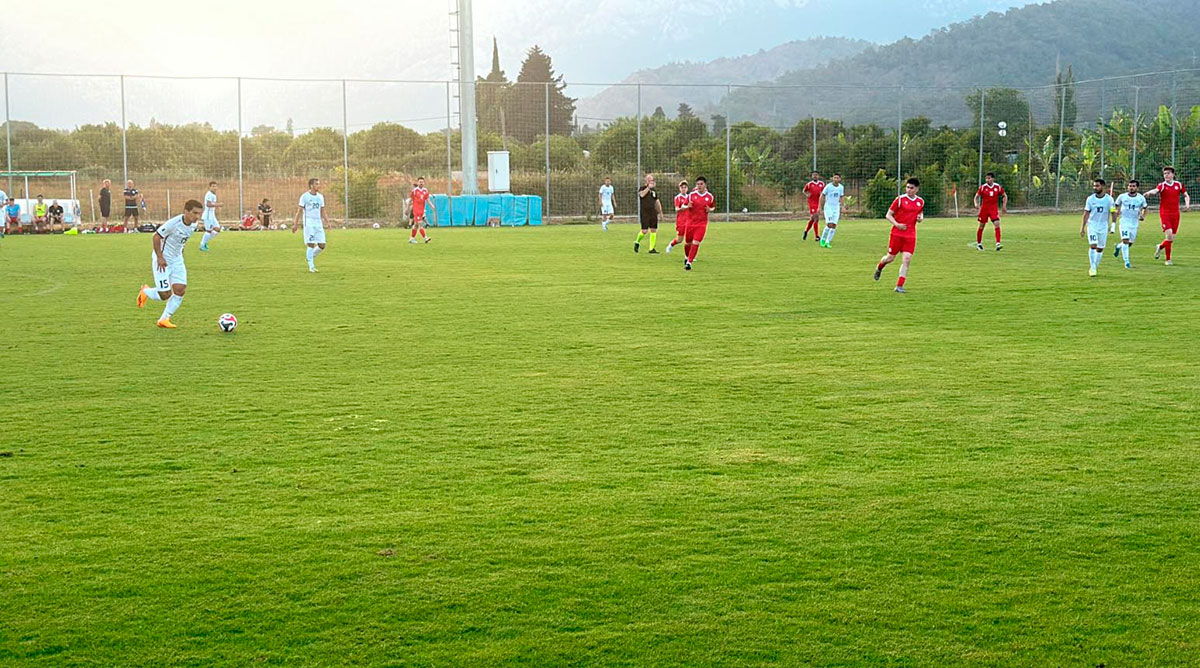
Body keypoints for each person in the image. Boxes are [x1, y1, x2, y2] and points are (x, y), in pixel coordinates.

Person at [135, 199, 204, 329]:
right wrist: (160, 257)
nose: (197, 217)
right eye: (195, 213)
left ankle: (164, 319)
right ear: (186, 212)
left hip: (177, 260)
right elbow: (156, 236)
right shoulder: (174, 223)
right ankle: (145, 291)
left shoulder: (193, 225)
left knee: (180, 290)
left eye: (199, 214)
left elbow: (181, 241)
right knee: (164, 295)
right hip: (162, 260)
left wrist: (180, 254)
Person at [873, 177, 925, 293]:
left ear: (916, 189)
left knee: (906, 260)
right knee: (890, 258)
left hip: (911, 235)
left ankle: (899, 286)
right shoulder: (900, 200)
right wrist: (897, 224)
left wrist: (920, 218)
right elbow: (888, 215)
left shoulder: (920, 201)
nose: (908, 190)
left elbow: (920, 214)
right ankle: (879, 267)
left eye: (911, 188)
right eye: (907, 187)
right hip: (897, 234)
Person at [1144, 166, 1190, 266]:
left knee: (1171, 239)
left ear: (1173, 174)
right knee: (1169, 236)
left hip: (1176, 214)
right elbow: (1156, 190)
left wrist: (1187, 205)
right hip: (1165, 213)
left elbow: (1186, 195)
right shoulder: (1162, 185)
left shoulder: (1179, 185)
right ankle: (1168, 260)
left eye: (1168, 173)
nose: (1166, 175)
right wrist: (1149, 193)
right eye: (1165, 174)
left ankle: (1160, 247)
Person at [1081, 178, 1115, 277]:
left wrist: (1113, 225)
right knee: (1093, 245)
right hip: (1092, 226)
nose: (1095, 188)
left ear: (1103, 186)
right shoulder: (1090, 199)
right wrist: (1082, 227)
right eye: (1094, 186)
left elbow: (1113, 212)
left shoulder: (1109, 199)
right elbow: (1086, 213)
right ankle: (1092, 267)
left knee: (1100, 249)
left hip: (1103, 226)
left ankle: (1095, 265)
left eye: (1097, 186)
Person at [293, 177, 327, 272]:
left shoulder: (320, 197)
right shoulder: (305, 197)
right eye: (317, 184)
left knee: (322, 245)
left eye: (318, 184)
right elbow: (299, 211)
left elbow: (323, 211)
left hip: (318, 223)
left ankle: (310, 257)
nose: (318, 186)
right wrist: (295, 224)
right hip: (309, 223)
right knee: (311, 244)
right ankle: (311, 266)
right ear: (311, 185)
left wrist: (327, 223)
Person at [1113, 180, 1147, 269]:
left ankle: (1118, 246)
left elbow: (1145, 208)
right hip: (1124, 222)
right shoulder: (1122, 197)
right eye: (1130, 186)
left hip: (1134, 223)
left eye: (1133, 186)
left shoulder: (1141, 198)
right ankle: (1127, 262)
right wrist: (1116, 211)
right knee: (1125, 240)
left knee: (1129, 243)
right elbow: (1115, 206)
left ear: (1137, 188)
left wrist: (1143, 216)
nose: (1131, 188)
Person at [684, 176, 715, 271]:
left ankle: (689, 262)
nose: (699, 186)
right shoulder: (691, 195)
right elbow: (684, 205)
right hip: (690, 223)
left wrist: (710, 210)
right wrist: (687, 206)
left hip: (701, 224)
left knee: (696, 242)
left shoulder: (710, 196)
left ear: (705, 185)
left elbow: (713, 207)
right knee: (688, 243)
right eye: (698, 184)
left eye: (701, 184)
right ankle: (686, 257)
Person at [974, 172, 1007, 251]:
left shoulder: (997, 187)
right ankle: (979, 244)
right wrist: (976, 203)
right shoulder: (982, 187)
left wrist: (1004, 206)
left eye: (989, 178)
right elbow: (976, 196)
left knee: (997, 224)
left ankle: (998, 243)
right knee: (981, 226)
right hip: (984, 209)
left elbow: (1005, 195)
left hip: (993, 209)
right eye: (986, 178)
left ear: (993, 179)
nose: (987, 180)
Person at [634, 173, 663, 254]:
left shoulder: (654, 191)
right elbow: (642, 195)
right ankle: (637, 242)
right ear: (646, 181)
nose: (651, 181)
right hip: (644, 212)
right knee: (644, 231)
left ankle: (651, 248)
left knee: (653, 230)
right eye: (649, 180)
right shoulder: (642, 188)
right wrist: (648, 188)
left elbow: (657, 201)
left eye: (652, 180)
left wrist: (660, 212)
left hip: (652, 212)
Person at [818, 173, 844, 248]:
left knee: (834, 225)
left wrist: (842, 206)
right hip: (828, 207)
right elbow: (822, 196)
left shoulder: (841, 187)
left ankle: (828, 242)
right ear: (832, 178)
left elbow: (841, 197)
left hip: (836, 208)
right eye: (834, 177)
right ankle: (822, 239)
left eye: (837, 178)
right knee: (829, 224)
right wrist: (820, 207)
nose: (836, 179)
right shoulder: (828, 186)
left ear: (840, 179)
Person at [666, 179, 691, 254]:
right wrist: (685, 207)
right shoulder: (678, 197)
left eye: (685, 187)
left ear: (687, 188)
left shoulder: (690, 197)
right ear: (680, 188)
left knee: (690, 239)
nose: (683, 189)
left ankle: (689, 256)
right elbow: (677, 209)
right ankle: (670, 246)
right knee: (679, 240)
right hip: (681, 221)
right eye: (682, 187)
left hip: (689, 221)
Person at [801, 171, 825, 243]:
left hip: (819, 202)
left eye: (816, 175)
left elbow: (824, 192)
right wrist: (807, 195)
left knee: (812, 219)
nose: (815, 176)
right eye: (813, 175)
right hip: (812, 203)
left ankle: (806, 231)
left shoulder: (822, 184)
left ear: (818, 176)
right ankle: (817, 236)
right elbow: (804, 191)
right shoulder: (809, 184)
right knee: (816, 217)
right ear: (812, 176)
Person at [199, 181, 222, 251]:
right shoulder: (209, 194)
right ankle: (202, 245)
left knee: (218, 229)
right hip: (208, 215)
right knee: (208, 230)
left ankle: (204, 242)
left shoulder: (213, 195)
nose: (214, 188)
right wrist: (218, 205)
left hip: (212, 215)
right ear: (209, 187)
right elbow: (208, 204)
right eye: (213, 186)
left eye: (215, 186)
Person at [409, 177, 431, 244]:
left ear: (424, 183)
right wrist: (408, 207)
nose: (421, 183)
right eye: (420, 182)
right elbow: (411, 199)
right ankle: (425, 238)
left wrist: (432, 206)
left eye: (422, 182)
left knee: (415, 224)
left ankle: (412, 239)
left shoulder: (425, 191)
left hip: (421, 210)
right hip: (416, 210)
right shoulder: (415, 191)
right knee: (420, 224)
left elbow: (427, 199)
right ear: (418, 182)